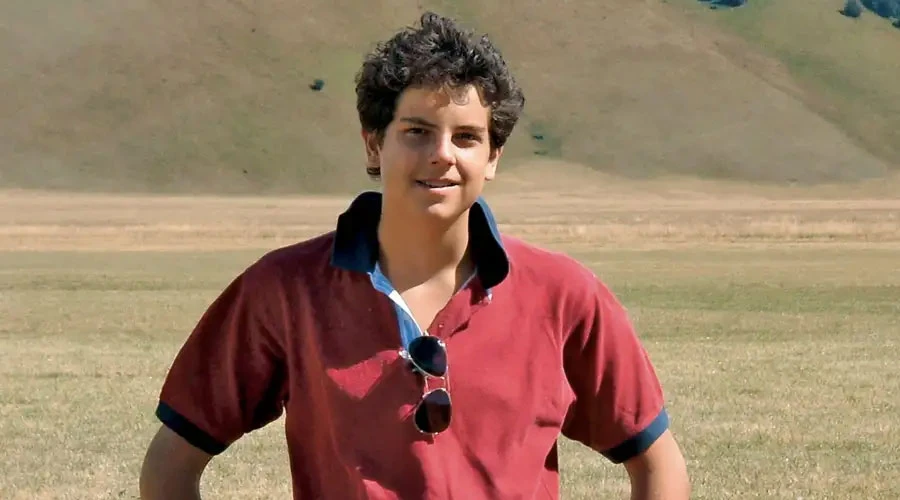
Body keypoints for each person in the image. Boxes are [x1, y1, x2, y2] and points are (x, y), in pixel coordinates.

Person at [139, 11, 690, 500]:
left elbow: (657, 463)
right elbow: (170, 465)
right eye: (417, 132)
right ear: (374, 143)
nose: (442, 155)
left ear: (493, 157)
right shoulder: (285, 290)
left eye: (467, 137)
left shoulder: (564, 295)